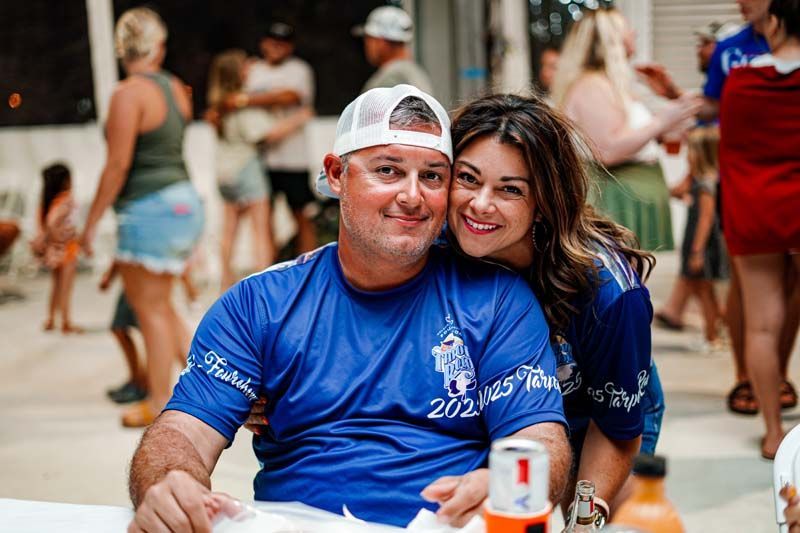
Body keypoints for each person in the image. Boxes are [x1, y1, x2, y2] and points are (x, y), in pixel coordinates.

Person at [126, 85, 571, 532]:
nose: (413, 196)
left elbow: (539, 439)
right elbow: (182, 431)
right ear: (336, 174)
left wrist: (507, 481)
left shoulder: (497, 299)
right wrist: (169, 482)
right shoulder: (259, 305)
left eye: (433, 176)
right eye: (388, 170)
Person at [80, 7, 204, 428]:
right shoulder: (174, 88)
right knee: (163, 306)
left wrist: (92, 219)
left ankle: (158, 401)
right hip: (184, 202)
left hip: (148, 208)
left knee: (148, 310)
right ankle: (215, 385)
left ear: (122, 48)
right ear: (159, 46)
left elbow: (117, 166)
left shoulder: (127, 94)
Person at [719, 0, 800, 460]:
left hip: (758, 205)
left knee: (762, 326)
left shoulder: (743, 80)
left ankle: (773, 433)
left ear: (773, 21)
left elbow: (732, 148)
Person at [551, 7, 701, 252]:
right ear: (612, 38)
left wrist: (669, 109)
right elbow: (606, 150)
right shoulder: (592, 85)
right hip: (618, 200)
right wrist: (661, 121)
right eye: (626, 28)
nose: (633, 33)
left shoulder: (609, 84)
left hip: (634, 194)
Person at [206, 49, 313, 290]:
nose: (251, 69)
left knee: (229, 231)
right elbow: (266, 134)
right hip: (246, 169)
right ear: (237, 73)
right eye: (245, 66)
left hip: (223, 172)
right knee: (261, 230)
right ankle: (264, 282)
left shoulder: (219, 104)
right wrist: (299, 118)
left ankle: (224, 281)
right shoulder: (242, 104)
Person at [227, 23, 317, 254]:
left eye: (283, 43)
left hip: (294, 159)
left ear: (290, 46)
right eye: (273, 41)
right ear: (263, 43)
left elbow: (290, 96)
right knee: (264, 218)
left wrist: (247, 100)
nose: (277, 47)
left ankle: (311, 266)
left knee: (301, 215)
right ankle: (273, 267)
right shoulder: (254, 70)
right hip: (262, 158)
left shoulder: (299, 69)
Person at [676, 126, 728, 349]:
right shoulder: (703, 179)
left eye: (690, 151)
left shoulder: (705, 184)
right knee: (702, 288)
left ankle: (712, 336)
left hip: (702, 244)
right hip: (701, 243)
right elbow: (677, 190)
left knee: (703, 289)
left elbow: (706, 219)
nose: (687, 155)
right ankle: (717, 328)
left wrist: (697, 252)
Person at [30, 163, 81, 334]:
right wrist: (61, 236)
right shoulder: (66, 199)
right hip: (68, 248)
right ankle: (66, 322)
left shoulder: (47, 201)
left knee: (56, 286)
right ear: (66, 181)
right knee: (66, 287)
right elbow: (52, 222)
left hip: (54, 251)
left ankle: (51, 319)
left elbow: (45, 223)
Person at [355, 6, 434, 94]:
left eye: (369, 39)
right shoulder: (416, 72)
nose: (366, 45)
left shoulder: (391, 77)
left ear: (381, 42)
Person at [99, 262, 147, 404]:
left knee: (150, 332)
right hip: (134, 274)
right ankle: (137, 380)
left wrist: (110, 274)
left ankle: (144, 384)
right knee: (119, 328)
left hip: (142, 272)